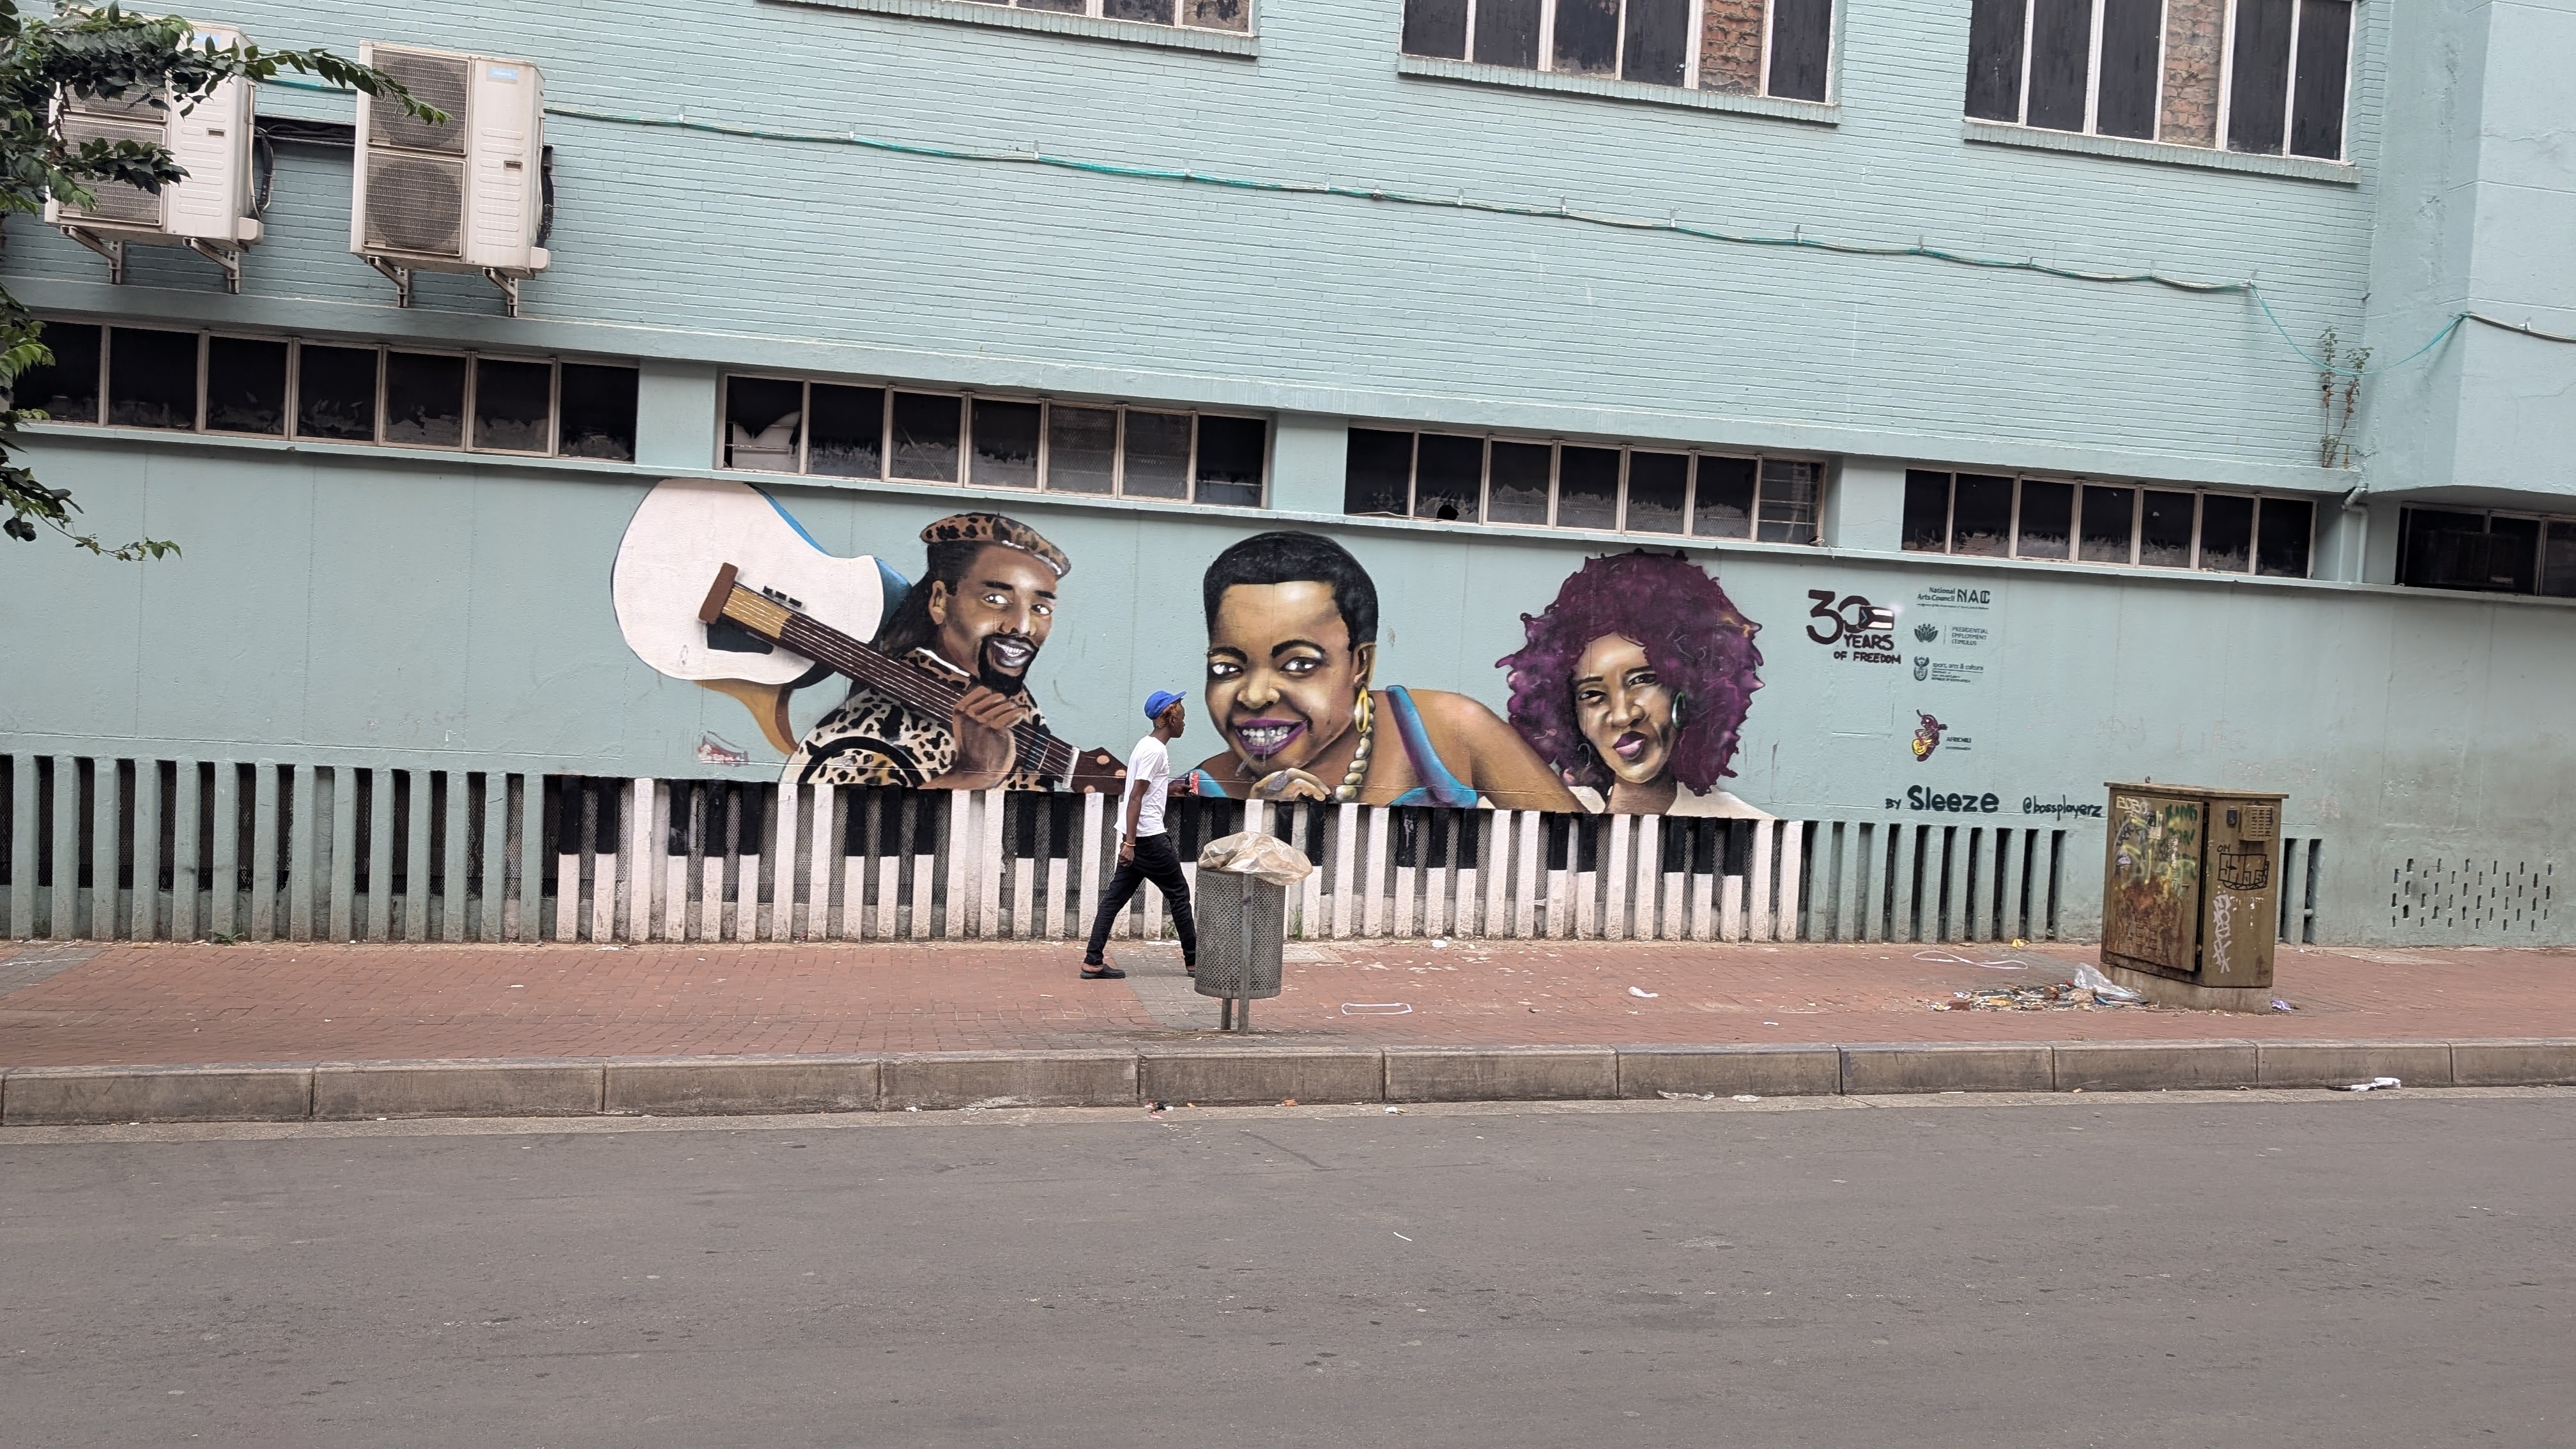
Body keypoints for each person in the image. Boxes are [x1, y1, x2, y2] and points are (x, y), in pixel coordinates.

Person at [1184, 531, 1578, 813]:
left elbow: (1578, 849)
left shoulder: (1447, 730)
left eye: (1299, 664)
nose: (1255, 695)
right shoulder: (1204, 790)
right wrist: (1258, 822)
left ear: (1361, 664)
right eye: (1227, 667)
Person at [786, 512, 1068, 791]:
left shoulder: (1017, 710)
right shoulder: (865, 740)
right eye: (995, 599)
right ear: (940, 601)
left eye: (1040, 608)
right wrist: (968, 777)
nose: (1023, 626)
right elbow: (822, 820)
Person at [1496, 549, 1767, 816]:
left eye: (1642, 680)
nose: (1623, 716)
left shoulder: (1746, 826)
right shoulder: (1533, 808)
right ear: (1569, 714)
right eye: (1591, 694)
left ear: (1689, 688)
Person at [1080, 690, 1199, 980]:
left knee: (1113, 900)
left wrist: (1170, 790)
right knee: (1179, 895)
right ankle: (1195, 962)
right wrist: (1130, 843)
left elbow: (1144, 791)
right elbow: (1135, 797)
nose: (1185, 724)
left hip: (1139, 837)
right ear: (1171, 719)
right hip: (1148, 839)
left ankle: (1093, 961)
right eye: (1183, 718)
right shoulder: (1155, 751)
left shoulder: (1146, 746)